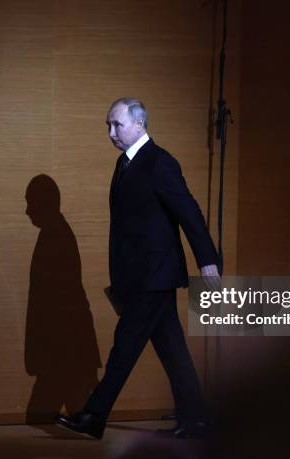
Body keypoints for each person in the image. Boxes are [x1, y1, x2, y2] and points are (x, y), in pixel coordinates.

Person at [56, 97, 220, 440]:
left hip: (155, 275)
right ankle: (196, 420)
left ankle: (95, 414)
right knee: (172, 349)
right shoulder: (124, 164)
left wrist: (207, 262)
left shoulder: (160, 163)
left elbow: (189, 214)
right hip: (140, 276)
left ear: (139, 124)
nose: (111, 132)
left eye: (117, 125)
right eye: (108, 126)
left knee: (125, 345)